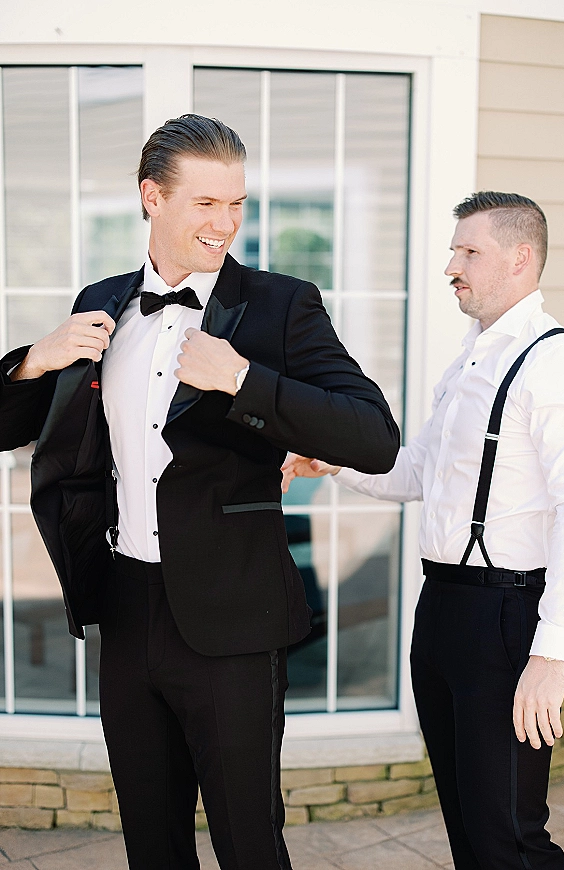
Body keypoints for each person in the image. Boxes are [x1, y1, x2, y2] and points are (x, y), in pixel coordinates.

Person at [0, 114, 400, 870]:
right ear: (152, 197)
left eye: (237, 204)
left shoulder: (281, 306)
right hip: (123, 606)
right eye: (205, 204)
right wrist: (32, 360)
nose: (225, 224)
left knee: (249, 842)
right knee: (150, 840)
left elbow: (375, 436)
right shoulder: (105, 299)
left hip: (234, 623)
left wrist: (245, 379)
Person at [282, 191, 564, 869]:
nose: (452, 265)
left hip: (508, 617)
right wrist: (334, 464)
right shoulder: (472, 356)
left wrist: (550, 654)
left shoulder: (556, 362)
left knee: (510, 833)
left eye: (469, 251)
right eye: (454, 250)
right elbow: (420, 472)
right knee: (468, 825)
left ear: (520, 258)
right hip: (444, 607)